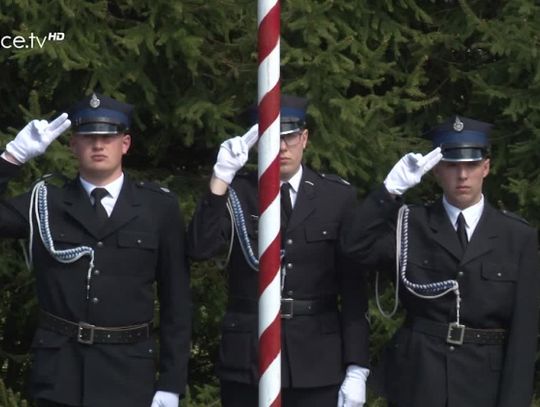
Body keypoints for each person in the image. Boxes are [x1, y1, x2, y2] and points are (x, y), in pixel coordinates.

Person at [0, 93, 191, 407]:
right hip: (60, 373)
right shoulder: (46, 202)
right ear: (73, 144)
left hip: (128, 374)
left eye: (108, 136)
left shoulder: (159, 208)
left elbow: (177, 303)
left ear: (125, 143)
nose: (99, 145)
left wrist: (171, 383)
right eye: (89, 136)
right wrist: (12, 158)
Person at [342, 115, 540, 407]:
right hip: (418, 379)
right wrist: (389, 191)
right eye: (452, 165)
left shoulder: (517, 236)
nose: (462, 175)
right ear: (436, 171)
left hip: (484, 384)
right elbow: (352, 247)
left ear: (486, 168)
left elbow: (523, 334)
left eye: (471, 165)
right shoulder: (409, 223)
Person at [187, 95, 370, 407]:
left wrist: (357, 366)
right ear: (256, 142)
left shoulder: (335, 196)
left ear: (304, 139)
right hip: (249, 355)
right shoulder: (236, 192)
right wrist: (219, 180)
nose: (282, 147)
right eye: (271, 137)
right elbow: (200, 248)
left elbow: (353, 288)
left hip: (316, 357)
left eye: (289, 137)